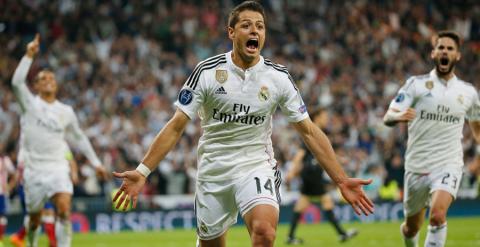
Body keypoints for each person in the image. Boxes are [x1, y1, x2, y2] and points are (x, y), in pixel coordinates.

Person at [113, 2, 374, 247]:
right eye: (247, 25)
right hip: (214, 170)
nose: (255, 30)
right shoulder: (207, 72)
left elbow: (309, 131)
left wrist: (340, 179)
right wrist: (143, 171)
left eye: (260, 26)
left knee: (265, 234)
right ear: (231, 32)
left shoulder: (278, 78)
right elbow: (176, 126)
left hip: (255, 164)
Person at [383, 30, 480, 247]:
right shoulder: (415, 85)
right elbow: (388, 116)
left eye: (450, 48)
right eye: (441, 48)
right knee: (411, 227)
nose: (445, 51)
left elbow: (477, 130)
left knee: (437, 215)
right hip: (417, 166)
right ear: (433, 53)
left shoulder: (468, 92)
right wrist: (398, 116)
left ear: (458, 56)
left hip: (448, 164)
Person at [11, 34, 107, 247]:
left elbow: (80, 138)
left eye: (51, 79)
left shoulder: (66, 111)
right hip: (34, 170)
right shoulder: (29, 105)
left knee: (64, 209)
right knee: (34, 220)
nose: (48, 81)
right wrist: (28, 55)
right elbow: (16, 83)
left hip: (57, 167)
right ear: (35, 86)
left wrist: (96, 163)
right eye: (43, 79)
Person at [285, 108, 358, 245]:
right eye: (324, 116)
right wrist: (291, 171)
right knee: (326, 201)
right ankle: (342, 234)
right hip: (311, 174)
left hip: (310, 174)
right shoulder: (311, 131)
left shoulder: (317, 132)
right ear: (317, 117)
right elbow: (300, 154)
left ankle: (290, 236)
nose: (327, 119)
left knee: (302, 205)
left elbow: (324, 153)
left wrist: (340, 159)